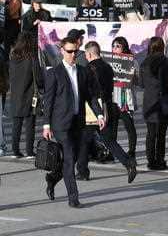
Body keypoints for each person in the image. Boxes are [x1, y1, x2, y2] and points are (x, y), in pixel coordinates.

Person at [42, 36, 105, 208]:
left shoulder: (84, 72)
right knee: (69, 158)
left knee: (73, 157)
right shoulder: (54, 73)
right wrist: (46, 125)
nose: (72, 54)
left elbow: (91, 97)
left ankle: (53, 177)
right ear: (62, 51)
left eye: (75, 51)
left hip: (79, 122)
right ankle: (73, 197)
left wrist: (99, 115)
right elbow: (48, 100)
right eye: (69, 51)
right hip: (60, 124)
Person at [76, 42, 137, 183]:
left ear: (90, 54)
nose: (85, 57)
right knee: (108, 140)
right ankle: (128, 163)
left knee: (85, 140)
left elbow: (91, 91)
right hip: (109, 104)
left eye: (85, 54)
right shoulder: (108, 67)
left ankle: (83, 171)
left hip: (95, 108)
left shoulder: (89, 68)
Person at [140, 36, 168, 171]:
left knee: (150, 133)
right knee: (161, 134)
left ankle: (151, 160)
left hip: (148, 100)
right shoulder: (164, 61)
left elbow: (142, 84)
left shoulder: (144, 62)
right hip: (161, 101)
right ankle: (160, 160)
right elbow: (166, 83)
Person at [9, 35, 41, 158]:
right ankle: (29, 150)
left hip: (15, 94)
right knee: (30, 123)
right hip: (29, 94)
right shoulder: (32, 57)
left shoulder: (13, 56)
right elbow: (38, 77)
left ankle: (15, 150)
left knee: (16, 123)